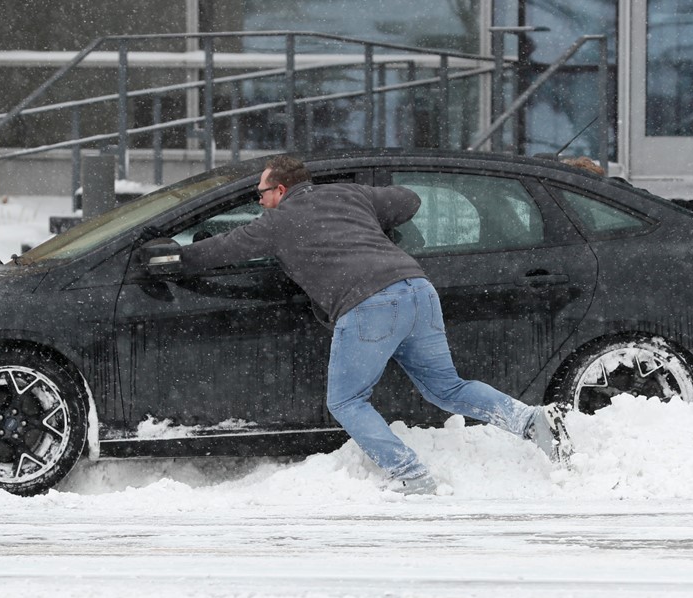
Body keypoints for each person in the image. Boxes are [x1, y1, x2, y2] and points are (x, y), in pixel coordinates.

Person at [178, 155, 570, 495]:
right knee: (447, 387)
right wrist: (374, 219)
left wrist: (170, 259)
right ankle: (529, 420)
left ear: (280, 190)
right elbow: (409, 200)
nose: (260, 203)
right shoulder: (348, 193)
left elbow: (219, 249)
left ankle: (410, 475)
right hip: (418, 290)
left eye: (260, 195)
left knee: (346, 401)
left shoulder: (277, 223)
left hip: (369, 303)